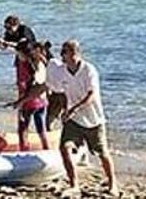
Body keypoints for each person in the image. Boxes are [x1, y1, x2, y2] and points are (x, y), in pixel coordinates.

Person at [55, 39, 116, 195]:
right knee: (64, 148)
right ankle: (74, 184)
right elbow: (61, 91)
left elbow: (92, 95)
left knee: (102, 153)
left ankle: (113, 184)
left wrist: (74, 109)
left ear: (74, 53)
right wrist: (64, 109)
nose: (62, 55)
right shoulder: (63, 71)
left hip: (93, 119)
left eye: (65, 52)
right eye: (62, 52)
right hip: (73, 120)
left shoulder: (89, 70)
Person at [9, 41, 50, 151]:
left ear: (23, 53)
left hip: (28, 102)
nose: (17, 55)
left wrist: (19, 102)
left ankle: (24, 151)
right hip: (41, 101)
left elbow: (29, 88)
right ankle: (46, 148)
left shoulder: (28, 66)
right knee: (40, 126)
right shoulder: (37, 62)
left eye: (18, 53)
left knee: (23, 129)